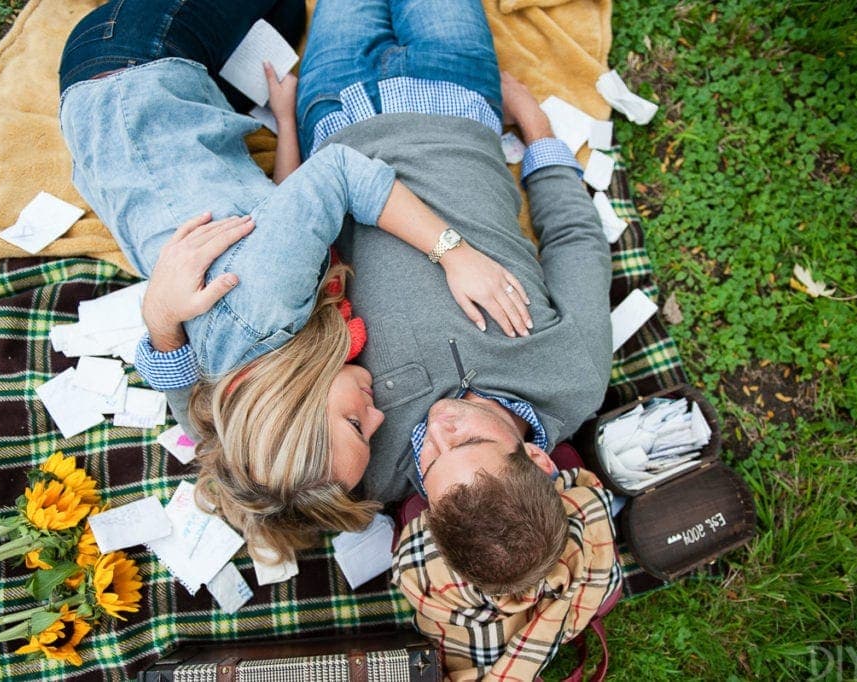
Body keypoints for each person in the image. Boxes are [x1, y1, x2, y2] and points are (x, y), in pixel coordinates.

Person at [56, 0, 532, 563]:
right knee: (277, 31)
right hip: (133, 113)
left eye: (356, 424)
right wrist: (284, 122)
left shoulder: (264, 309)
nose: (379, 414)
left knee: (283, 14)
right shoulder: (237, 392)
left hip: (132, 63)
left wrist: (454, 253)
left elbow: (338, 173)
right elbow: (279, 217)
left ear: (295, 406)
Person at [293, 0, 624, 676]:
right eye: (468, 439)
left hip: (336, 119)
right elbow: (572, 238)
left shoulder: (369, 459)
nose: (436, 426)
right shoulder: (575, 376)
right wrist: (534, 124)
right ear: (537, 460)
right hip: (458, 98)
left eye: (431, 460)